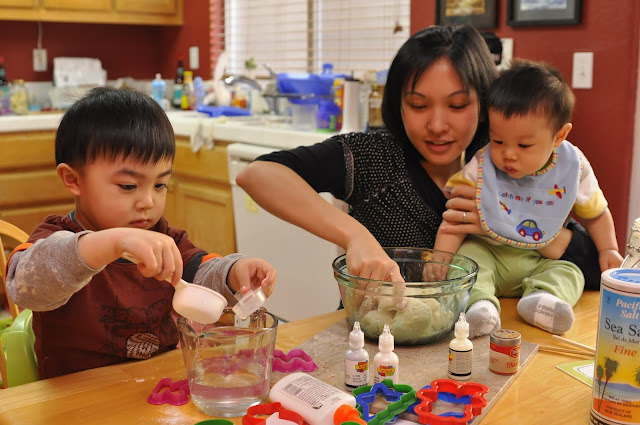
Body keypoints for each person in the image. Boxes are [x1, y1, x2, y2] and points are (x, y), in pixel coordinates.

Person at [236, 25, 601, 297]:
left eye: (457, 106)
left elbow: (597, 267)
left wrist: (524, 229)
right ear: (398, 103)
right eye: (419, 105)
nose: (437, 125)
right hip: (379, 350)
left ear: (488, 104)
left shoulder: (516, 162)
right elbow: (258, 174)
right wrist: (355, 236)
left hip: (497, 350)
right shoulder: (372, 158)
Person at [5, 87, 277, 379]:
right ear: (73, 179)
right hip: (78, 399)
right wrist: (109, 244)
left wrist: (235, 273)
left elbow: (203, 275)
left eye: (160, 185)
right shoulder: (57, 238)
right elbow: (26, 286)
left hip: (155, 387)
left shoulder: (165, 240)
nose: (148, 202)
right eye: (128, 186)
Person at [434, 59, 623, 338]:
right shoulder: (481, 167)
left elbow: (596, 213)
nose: (508, 154)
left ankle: (542, 301)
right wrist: (441, 259)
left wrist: (608, 249)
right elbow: (454, 219)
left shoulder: (573, 168)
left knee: (570, 272)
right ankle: (480, 306)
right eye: (498, 141)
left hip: (539, 258)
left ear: (559, 135)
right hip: (491, 255)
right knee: (467, 260)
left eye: (524, 145)